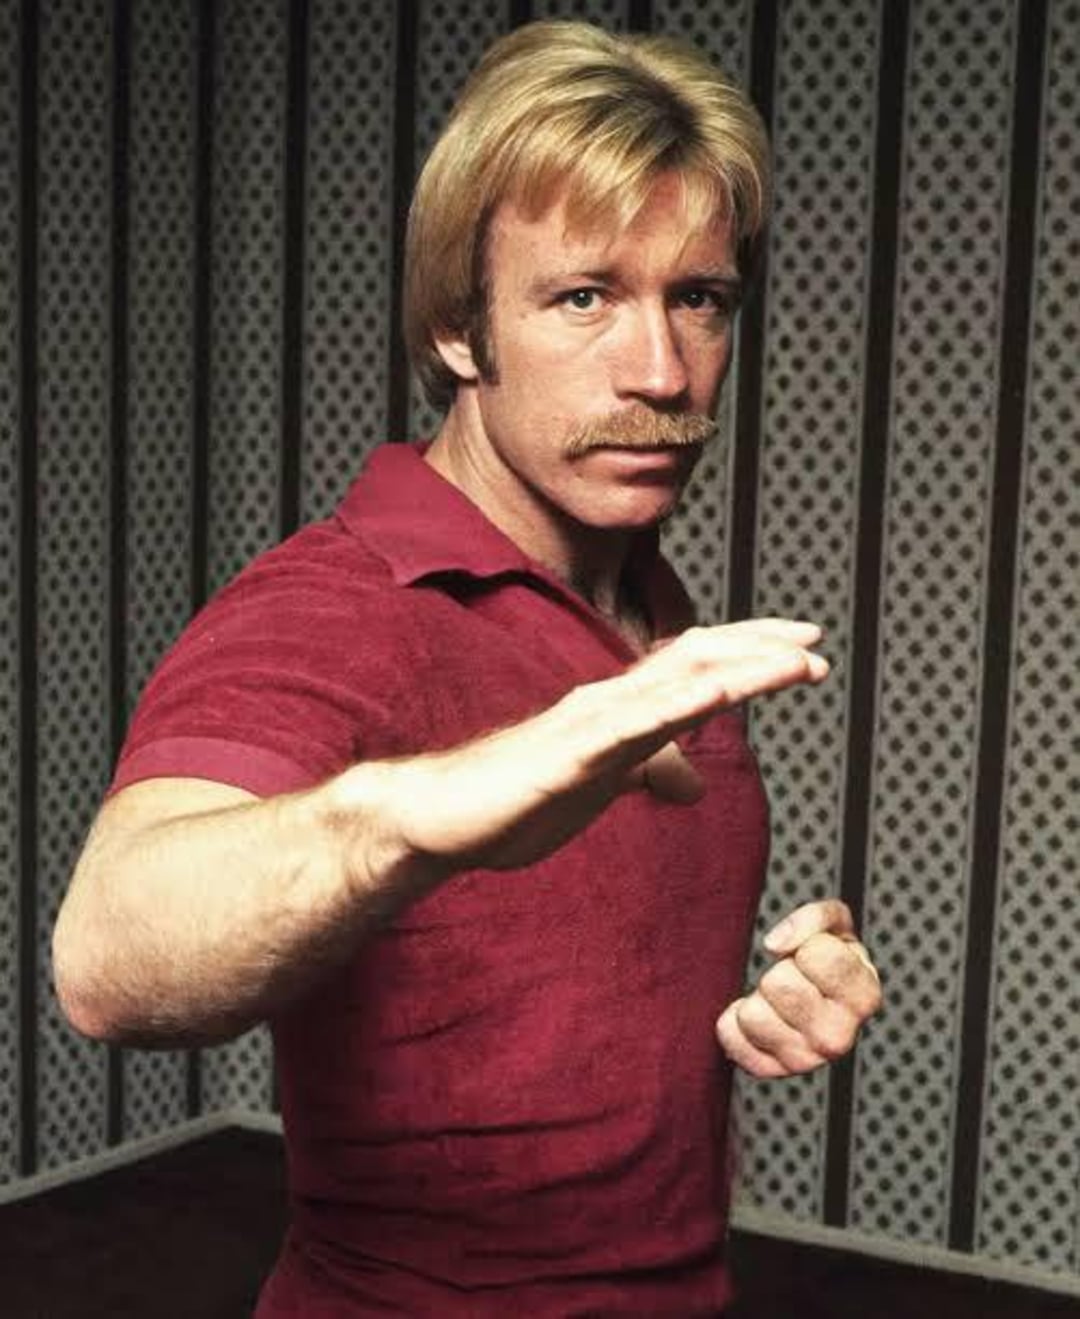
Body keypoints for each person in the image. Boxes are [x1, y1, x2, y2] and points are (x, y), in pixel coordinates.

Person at [53, 20, 881, 1316]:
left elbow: (570, 974)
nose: (661, 371)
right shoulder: (339, 610)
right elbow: (111, 952)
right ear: (455, 329)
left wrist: (771, 994)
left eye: (697, 300)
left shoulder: (638, 595)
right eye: (583, 297)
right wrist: (413, 813)